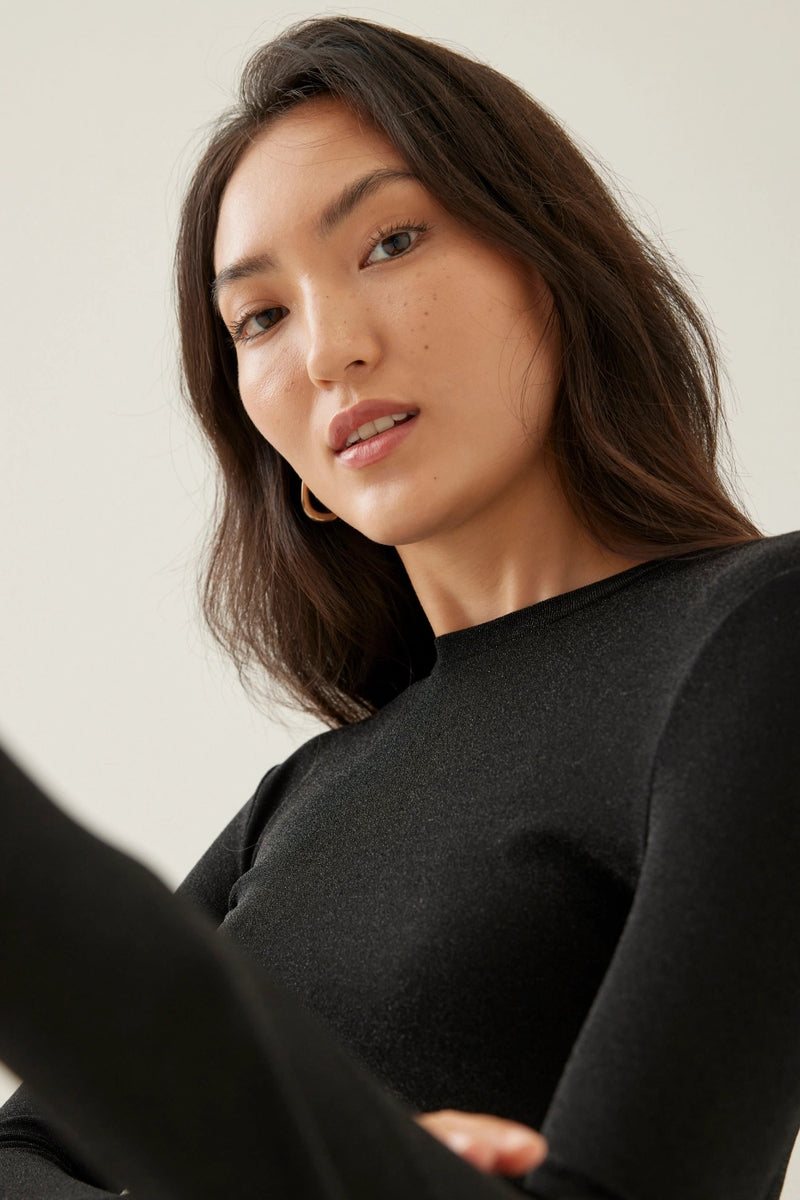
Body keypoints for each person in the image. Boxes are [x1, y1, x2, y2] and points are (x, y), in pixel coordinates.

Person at [1, 13, 799, 1199]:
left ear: (550, 262)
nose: (329, 350)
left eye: (388, 242)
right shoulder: (303, 797)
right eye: (260, 317)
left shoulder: (758, 634)